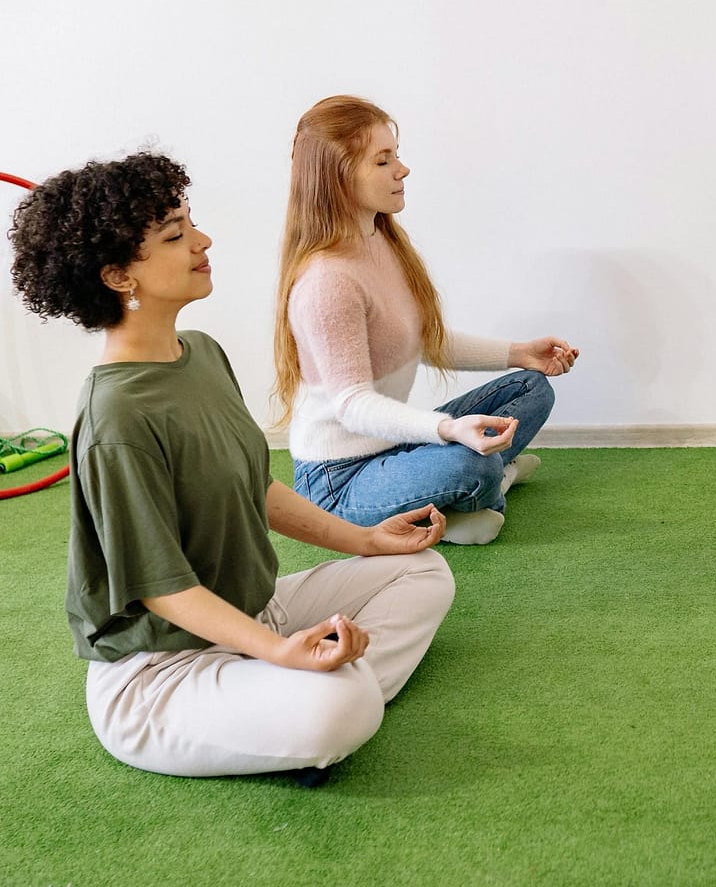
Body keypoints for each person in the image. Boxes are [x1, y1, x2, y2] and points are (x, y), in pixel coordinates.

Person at [7, 152, 454, 780]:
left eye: (191, 223)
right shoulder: (116, 419)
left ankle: (293, 699)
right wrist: (279, 651)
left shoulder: (202, 354)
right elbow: (162, 588)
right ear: (116, 275)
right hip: (162, 672)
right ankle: (312, 698)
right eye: (175, 235)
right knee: (344, 703)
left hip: (254, 611)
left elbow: (255, 487)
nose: (203, 241)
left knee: (423, 571)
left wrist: (367, 540)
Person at [274, 95, 579, 545]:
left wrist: (520, 354)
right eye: (383, 161)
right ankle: (489, 483)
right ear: (338, 175)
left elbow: (421, 340)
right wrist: (447, 430)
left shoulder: (381, 241)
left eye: (395, 156)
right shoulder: (327, 280)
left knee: (531, 388)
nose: (402, 170)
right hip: (339, 481)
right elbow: (353, 405)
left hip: (395, 445)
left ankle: (478, 487)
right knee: (471, 463)